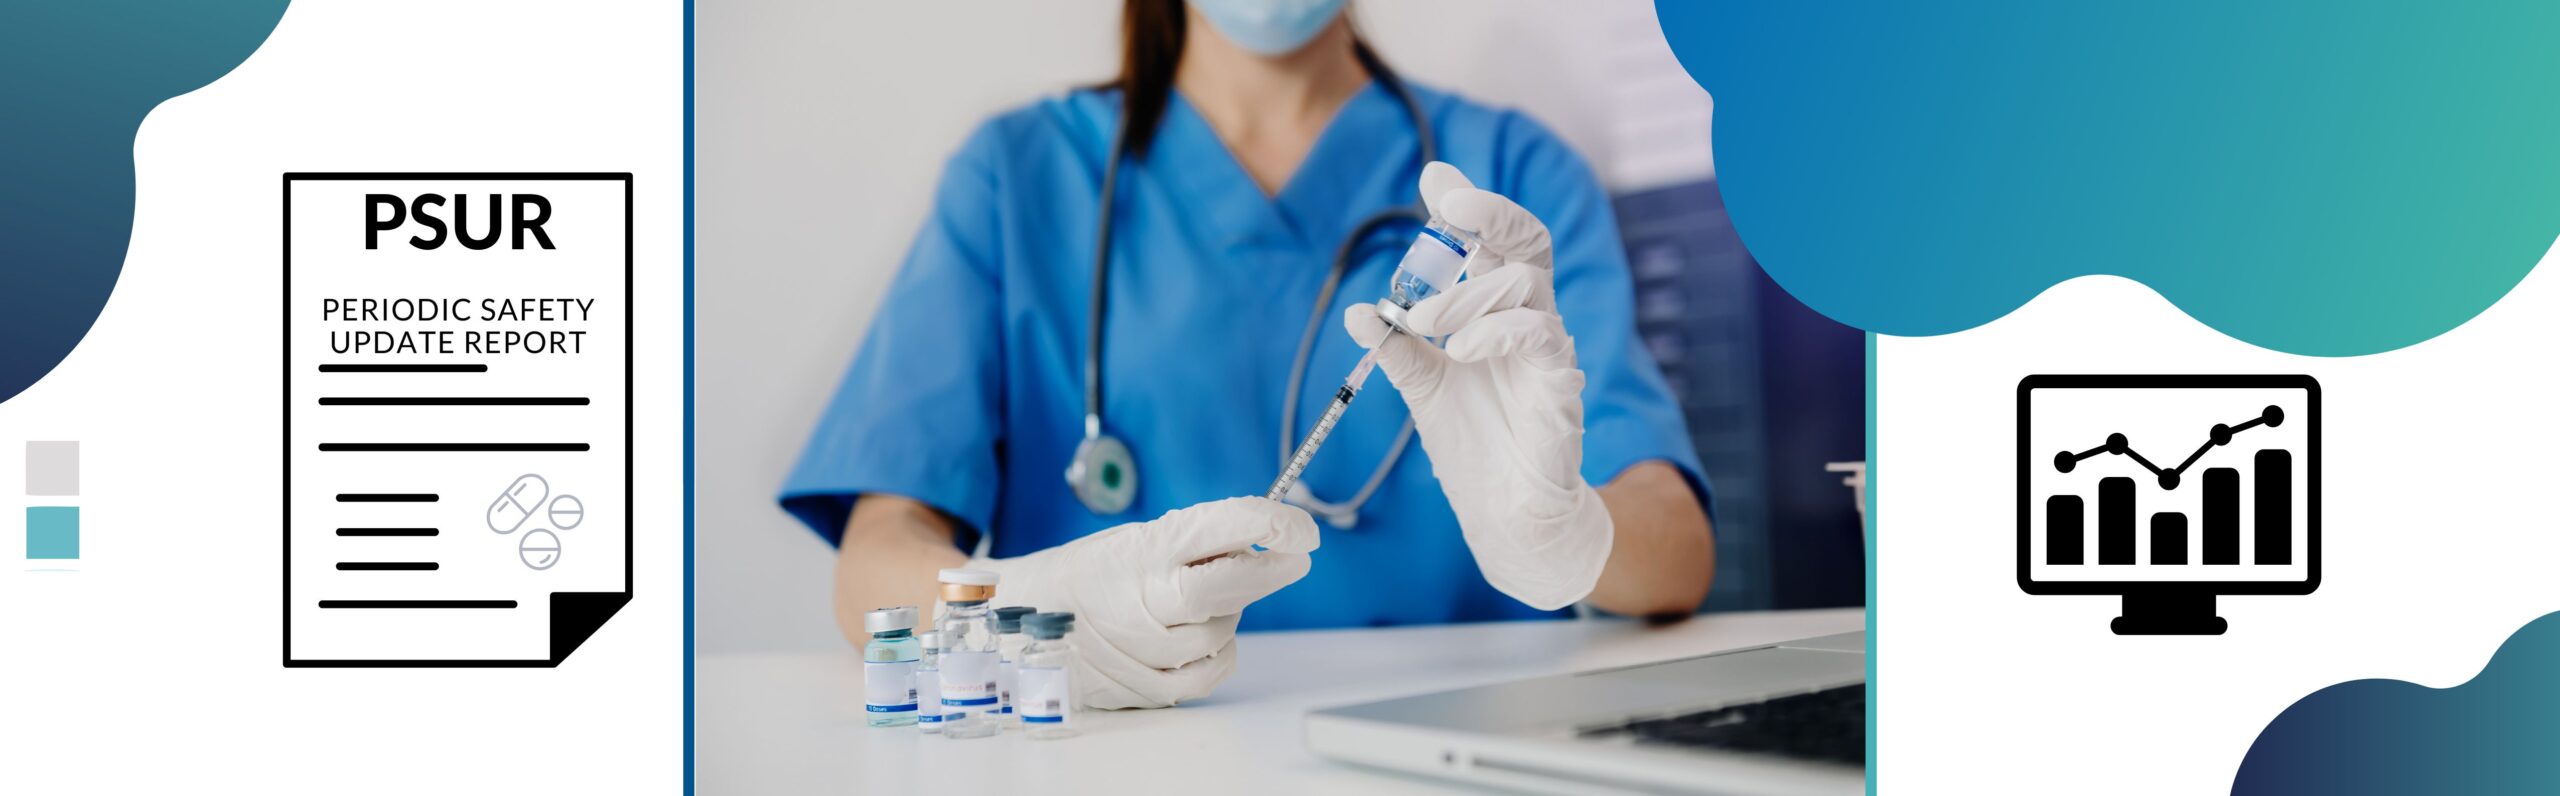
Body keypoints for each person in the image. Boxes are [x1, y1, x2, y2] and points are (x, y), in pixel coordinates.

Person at [782, 0, 1714, 709]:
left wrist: (1565, 537)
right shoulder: (1020, 175)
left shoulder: (1505, 177)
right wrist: (1024, 604)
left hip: (1448, 746)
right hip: (1108, 760)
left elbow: (1678, 552)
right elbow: (874, 564)